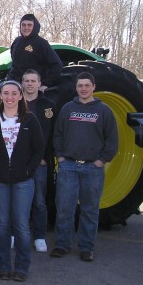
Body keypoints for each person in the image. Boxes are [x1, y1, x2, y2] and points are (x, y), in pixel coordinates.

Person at [0, 80, 44, 282]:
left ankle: (22, 267)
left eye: (14, 93)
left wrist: (27, 170)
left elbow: (38, 149)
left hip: (23, 182)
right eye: (6, 93)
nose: (10, 97)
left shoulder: (30, 120)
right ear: (1, 96)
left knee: (22, 225)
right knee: (2, 224)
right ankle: (3, 266)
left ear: (20, 96)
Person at [50, 72, 118, 262]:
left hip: (92, 168)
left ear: (93, 87)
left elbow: (112, 140)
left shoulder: (103, 111)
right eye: (80, 86)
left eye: (87, 85)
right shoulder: (68, 109)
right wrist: (61, 157)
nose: (83, 89)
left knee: (89, 210)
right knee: (64, 208)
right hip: (69, 166)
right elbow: (58, 134)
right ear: (76, 87)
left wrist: (102, 160)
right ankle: (62, 245)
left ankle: (87, 247)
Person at [21, 69, 56, 253]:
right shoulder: (16, 103)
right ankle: (17, 235)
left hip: (40, 162)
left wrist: (45, 158)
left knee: (39, 201)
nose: (29, 84)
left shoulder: (48, 105)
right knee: (19, 201)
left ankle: (40, 236)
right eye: (26, 80)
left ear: (39, 83)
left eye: (33, 80)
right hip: (19, 162)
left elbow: (52, 135)